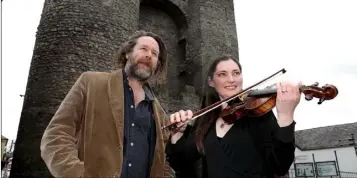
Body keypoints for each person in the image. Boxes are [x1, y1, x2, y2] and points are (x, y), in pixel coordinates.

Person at [40, 31, 176, 178]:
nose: (149, 55)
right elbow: (56, 135)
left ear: (157, 65)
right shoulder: (90, 83)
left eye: (154, 53)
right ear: (127, 53)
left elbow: (163, 164)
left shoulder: (160, 114)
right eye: (143, 49)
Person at [166, 55, 301, 178]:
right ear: (211, 82)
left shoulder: (258, 113)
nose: (231, 80)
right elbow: (180, 162)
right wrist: (177, 134)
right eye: (222, 74)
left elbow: (280, 165)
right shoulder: (206, 118)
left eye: (236, 73)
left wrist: (285, 116)